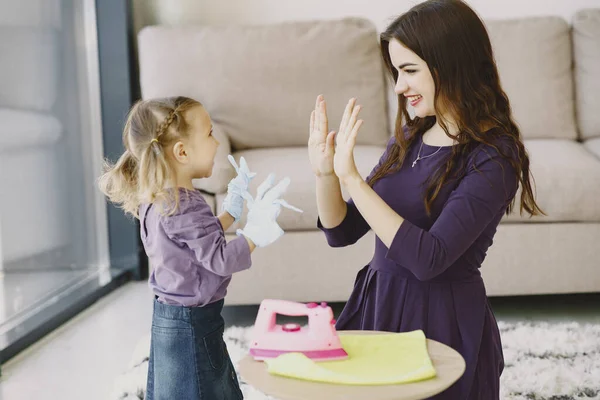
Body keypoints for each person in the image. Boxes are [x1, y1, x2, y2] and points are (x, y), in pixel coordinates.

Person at [308, 1, 543, 398]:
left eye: (409, 70)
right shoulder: (410, 137)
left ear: (451, 64)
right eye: (397, 72)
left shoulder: (494, 156)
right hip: (378, 305)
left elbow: (429, 259)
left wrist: (353, 178)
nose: (399, 86)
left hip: (442, 321)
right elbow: (341, 231)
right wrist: (327, 173)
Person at [99, 96, 300, 400]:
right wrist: (255, 232)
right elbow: (218, 259)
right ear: (181, 152)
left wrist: (231, 211)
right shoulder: (185, 207)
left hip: (170, 318)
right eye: (209, 134)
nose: (217, 143)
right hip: (193, 325)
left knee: (177, 389)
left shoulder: (161, 201)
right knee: (203, 388)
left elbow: (194, 244)